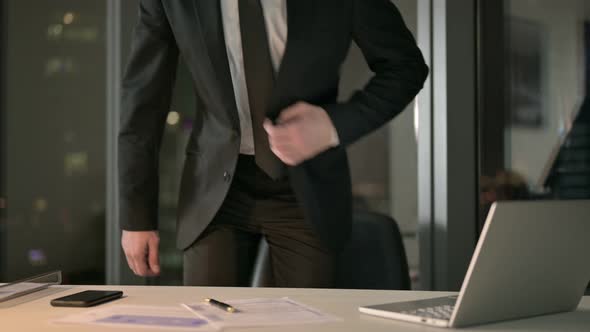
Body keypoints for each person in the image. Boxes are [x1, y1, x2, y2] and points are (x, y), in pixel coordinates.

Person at [119, 0, 428, 287]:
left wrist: (332, 126)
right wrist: (137, 217)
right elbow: (143, 102)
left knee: (302, 322)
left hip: (304, 187)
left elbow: (405, 67)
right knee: (210, 320)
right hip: (215, 189)